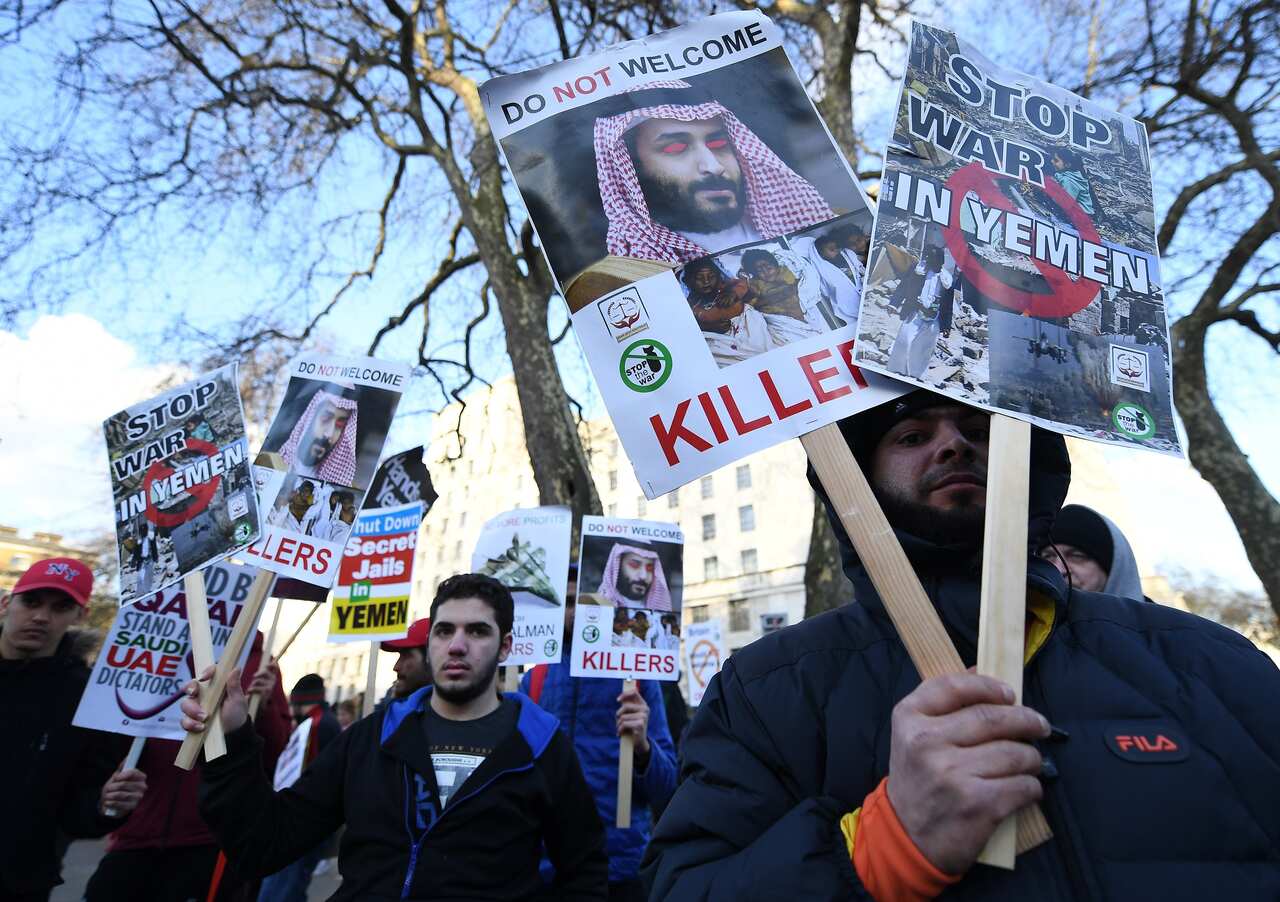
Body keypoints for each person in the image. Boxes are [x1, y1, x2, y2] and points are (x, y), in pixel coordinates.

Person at [644, 390, 1280, 900]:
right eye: (912, 436)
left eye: (978, 429)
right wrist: (883, 848)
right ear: (858, 474)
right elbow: (685, 885)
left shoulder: (1206, 661)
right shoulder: (768, 689)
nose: (953, 444)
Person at [180, 573, 607, 900]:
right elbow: (264, 843)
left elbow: (585, 872)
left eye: (477, 631)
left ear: (506, 646)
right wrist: (231, 740)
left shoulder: (542, 747)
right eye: (444, 631)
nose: (457, 645)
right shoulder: (371, 739)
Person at [85, 632, 291, 902]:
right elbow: (107, 746)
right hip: (136, 834)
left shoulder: (260, 663)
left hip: (211, 842)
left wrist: (264, 707)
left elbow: (275, 753)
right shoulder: (156, 643)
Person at [521, 567, 677, 902]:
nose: (577, 611)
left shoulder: (638, 679)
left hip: (619, 869)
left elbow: (667, 788)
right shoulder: (532, 681)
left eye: (586, 601)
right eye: (567, 602)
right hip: (544, 871)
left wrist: (644, 748)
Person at [0, 558, 147, 902]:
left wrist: (106, 803)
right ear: (6, 603)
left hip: (18, 881)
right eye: (31, 602)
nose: (41, 617)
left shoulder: (88, 697)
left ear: (80, 615)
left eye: (61, 607)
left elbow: (80, 809)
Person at [593, 81, 834, 267]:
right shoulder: (629, 274)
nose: (713, 166)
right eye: (676, 148)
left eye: (719, 145)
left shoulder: (813, 231)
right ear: (631, 172)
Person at [257, 675, 343, 902]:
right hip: (304, 822)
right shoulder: (319, 722)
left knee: (281, 892)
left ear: (299, 701)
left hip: (303, 823)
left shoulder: (319, 725)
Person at [681, 259, 815, 366]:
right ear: (688, 281)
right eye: (699, 278)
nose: (706, 281)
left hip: (748, 323)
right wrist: (709, 327)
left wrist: (734, 293)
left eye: (711, 276)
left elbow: (744, 285)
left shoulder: (726, 287)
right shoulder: (691, 304)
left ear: (719, 276)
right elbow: (689, 329)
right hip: (724, 340)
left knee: (766, 350)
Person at [1038, 503, 1145, 601]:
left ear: (1112, 568)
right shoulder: (1029, 614)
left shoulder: (1151, 616)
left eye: (1076, 556)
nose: (1059, 569)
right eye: (1048, 556)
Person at [887, 245, 955, 379]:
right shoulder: (918, 270)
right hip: (915, 312)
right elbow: (903, 286)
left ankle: (917, 376)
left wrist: (946, 326)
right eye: (929, 259)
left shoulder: (946, 279)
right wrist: (894, 303)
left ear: (941, 261)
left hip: (934, 318)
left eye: (935, 260)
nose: (930, 262)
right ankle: (896, 370)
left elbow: (948, 305)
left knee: (925, 347)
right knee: (904, 340)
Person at [278, 390, 359, 485]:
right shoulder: (269, 462)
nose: (329, 434)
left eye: (339, 425)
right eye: (325, 419)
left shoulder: (344, 485)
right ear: (308, 419)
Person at [596, 542, 673, 611]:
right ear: (617, 566)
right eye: (634, 565)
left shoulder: (663, 612)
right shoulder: (595, 603)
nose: (643, 576)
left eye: (650, 569)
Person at [381, 617, 433, 699]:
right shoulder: (390, 701)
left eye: (407, 656)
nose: (396, 667)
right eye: (401, 655)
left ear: (431, 659)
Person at [1048, 146, 1095, 215]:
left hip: (1082, 215)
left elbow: (1065, 204)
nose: (1052, 161)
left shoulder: (1069, 181)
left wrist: (1049, 192)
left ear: (1067, 165)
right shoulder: (1074, 173)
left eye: (1056, 160)